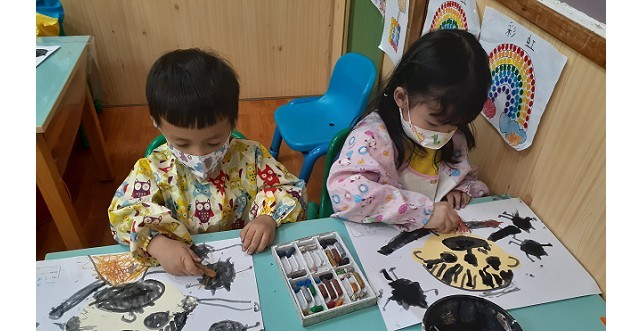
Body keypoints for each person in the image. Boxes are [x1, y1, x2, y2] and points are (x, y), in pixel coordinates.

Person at [108, 48, 307, 276]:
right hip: (182, 270)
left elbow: (290, 190)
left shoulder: (251, 156)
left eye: (213, 142)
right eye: (182, 143)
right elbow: (122, 217)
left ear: (233, 122)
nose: (199, 154)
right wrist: (157, 244)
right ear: (157, 124)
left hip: (246, 262)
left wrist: (267, 218)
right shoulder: (152, 169)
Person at [326, 30, 491, 233]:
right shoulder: (372, 137)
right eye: (434, 123)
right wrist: (423, 212)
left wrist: (458, 189)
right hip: (376, 235)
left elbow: (461, 173)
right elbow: (345, 194)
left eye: (454, 124)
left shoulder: (454, 138)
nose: (443, 134)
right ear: (402, 98)